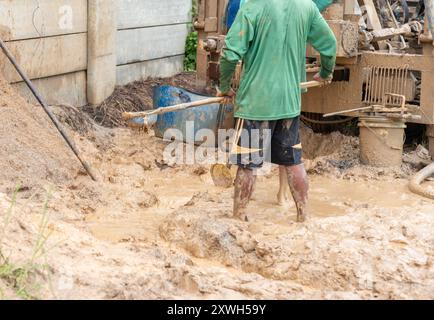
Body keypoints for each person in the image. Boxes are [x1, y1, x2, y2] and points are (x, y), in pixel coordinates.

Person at [217, 0, 337, 223]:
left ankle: (239, 217)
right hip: (289, 103)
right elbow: (329, 43)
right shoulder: (306, 6)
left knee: (247, 164)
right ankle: (304, 217)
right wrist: (325, 71)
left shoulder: (253, 5)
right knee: (293, 161)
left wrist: (224, 87)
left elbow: (230, 54)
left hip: (256, 103)